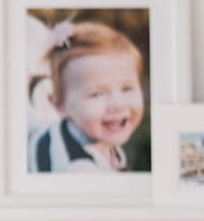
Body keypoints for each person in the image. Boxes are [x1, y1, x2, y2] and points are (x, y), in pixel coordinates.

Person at [29, 19, 145, 173]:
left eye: (126, 89)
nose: (117, 104)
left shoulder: (92, 130)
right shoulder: (79, 170)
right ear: (59, 105)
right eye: (96, 94)